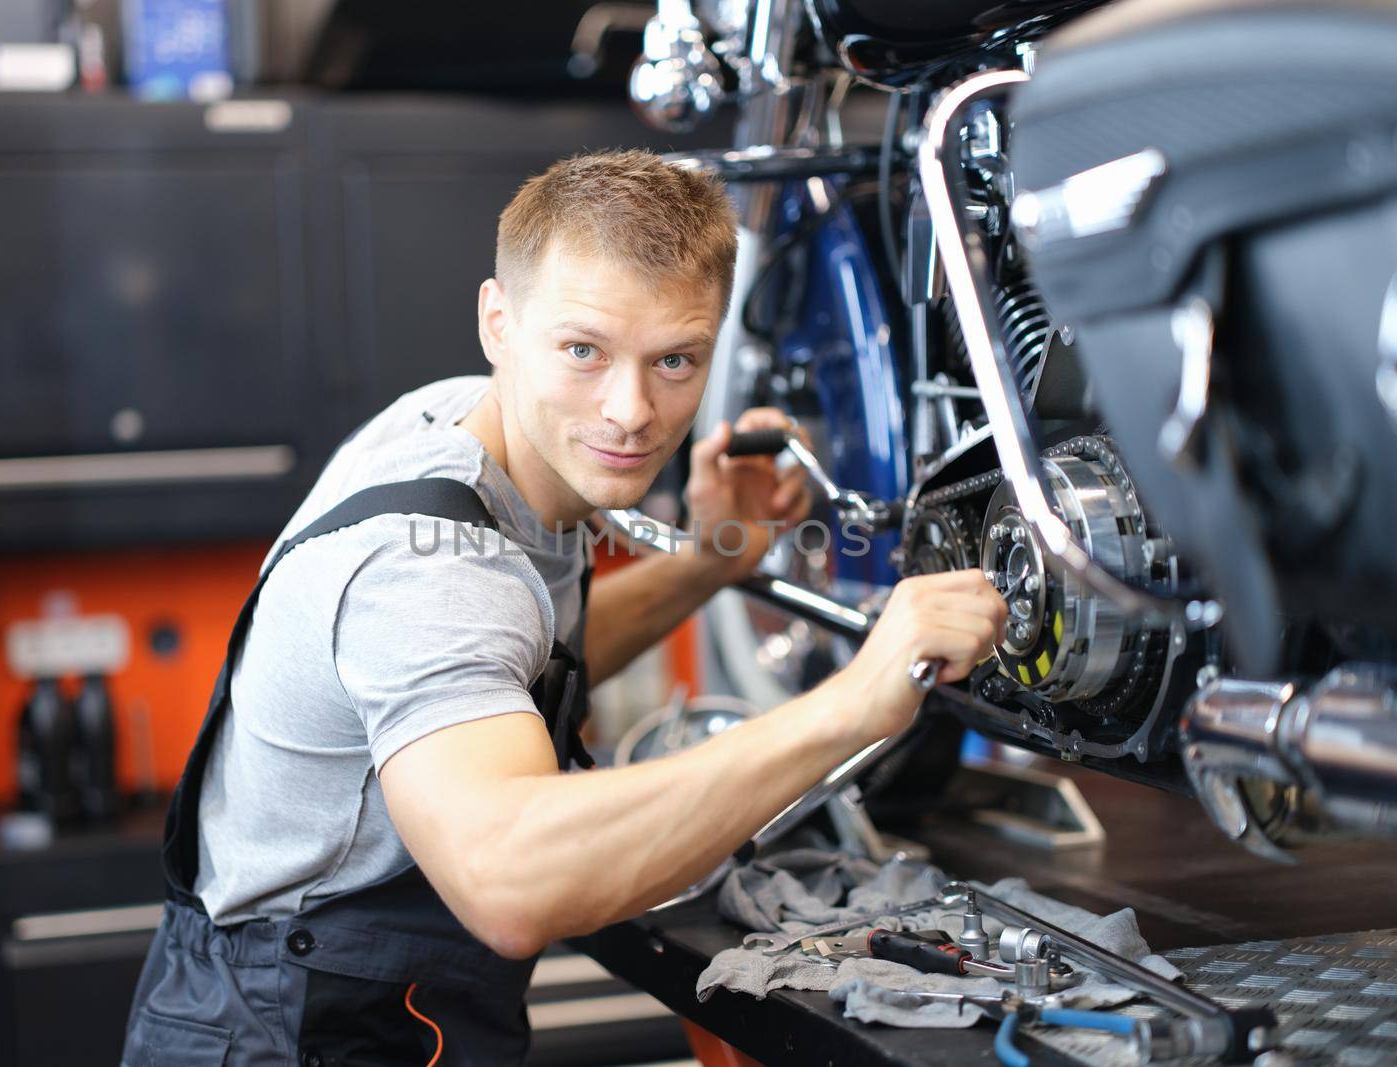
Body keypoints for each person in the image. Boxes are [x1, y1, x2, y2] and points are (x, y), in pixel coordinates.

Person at [122, 149, 1007, 1066]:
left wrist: (713, 561)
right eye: (584, 350)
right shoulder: (427, 569)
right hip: (290, 1029)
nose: (629, 410)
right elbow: (508, 881)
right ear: (497, 321)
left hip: (366, 1009)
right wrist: (855, 702)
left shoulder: (474, 429)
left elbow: (515, 659)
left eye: (675, 359)